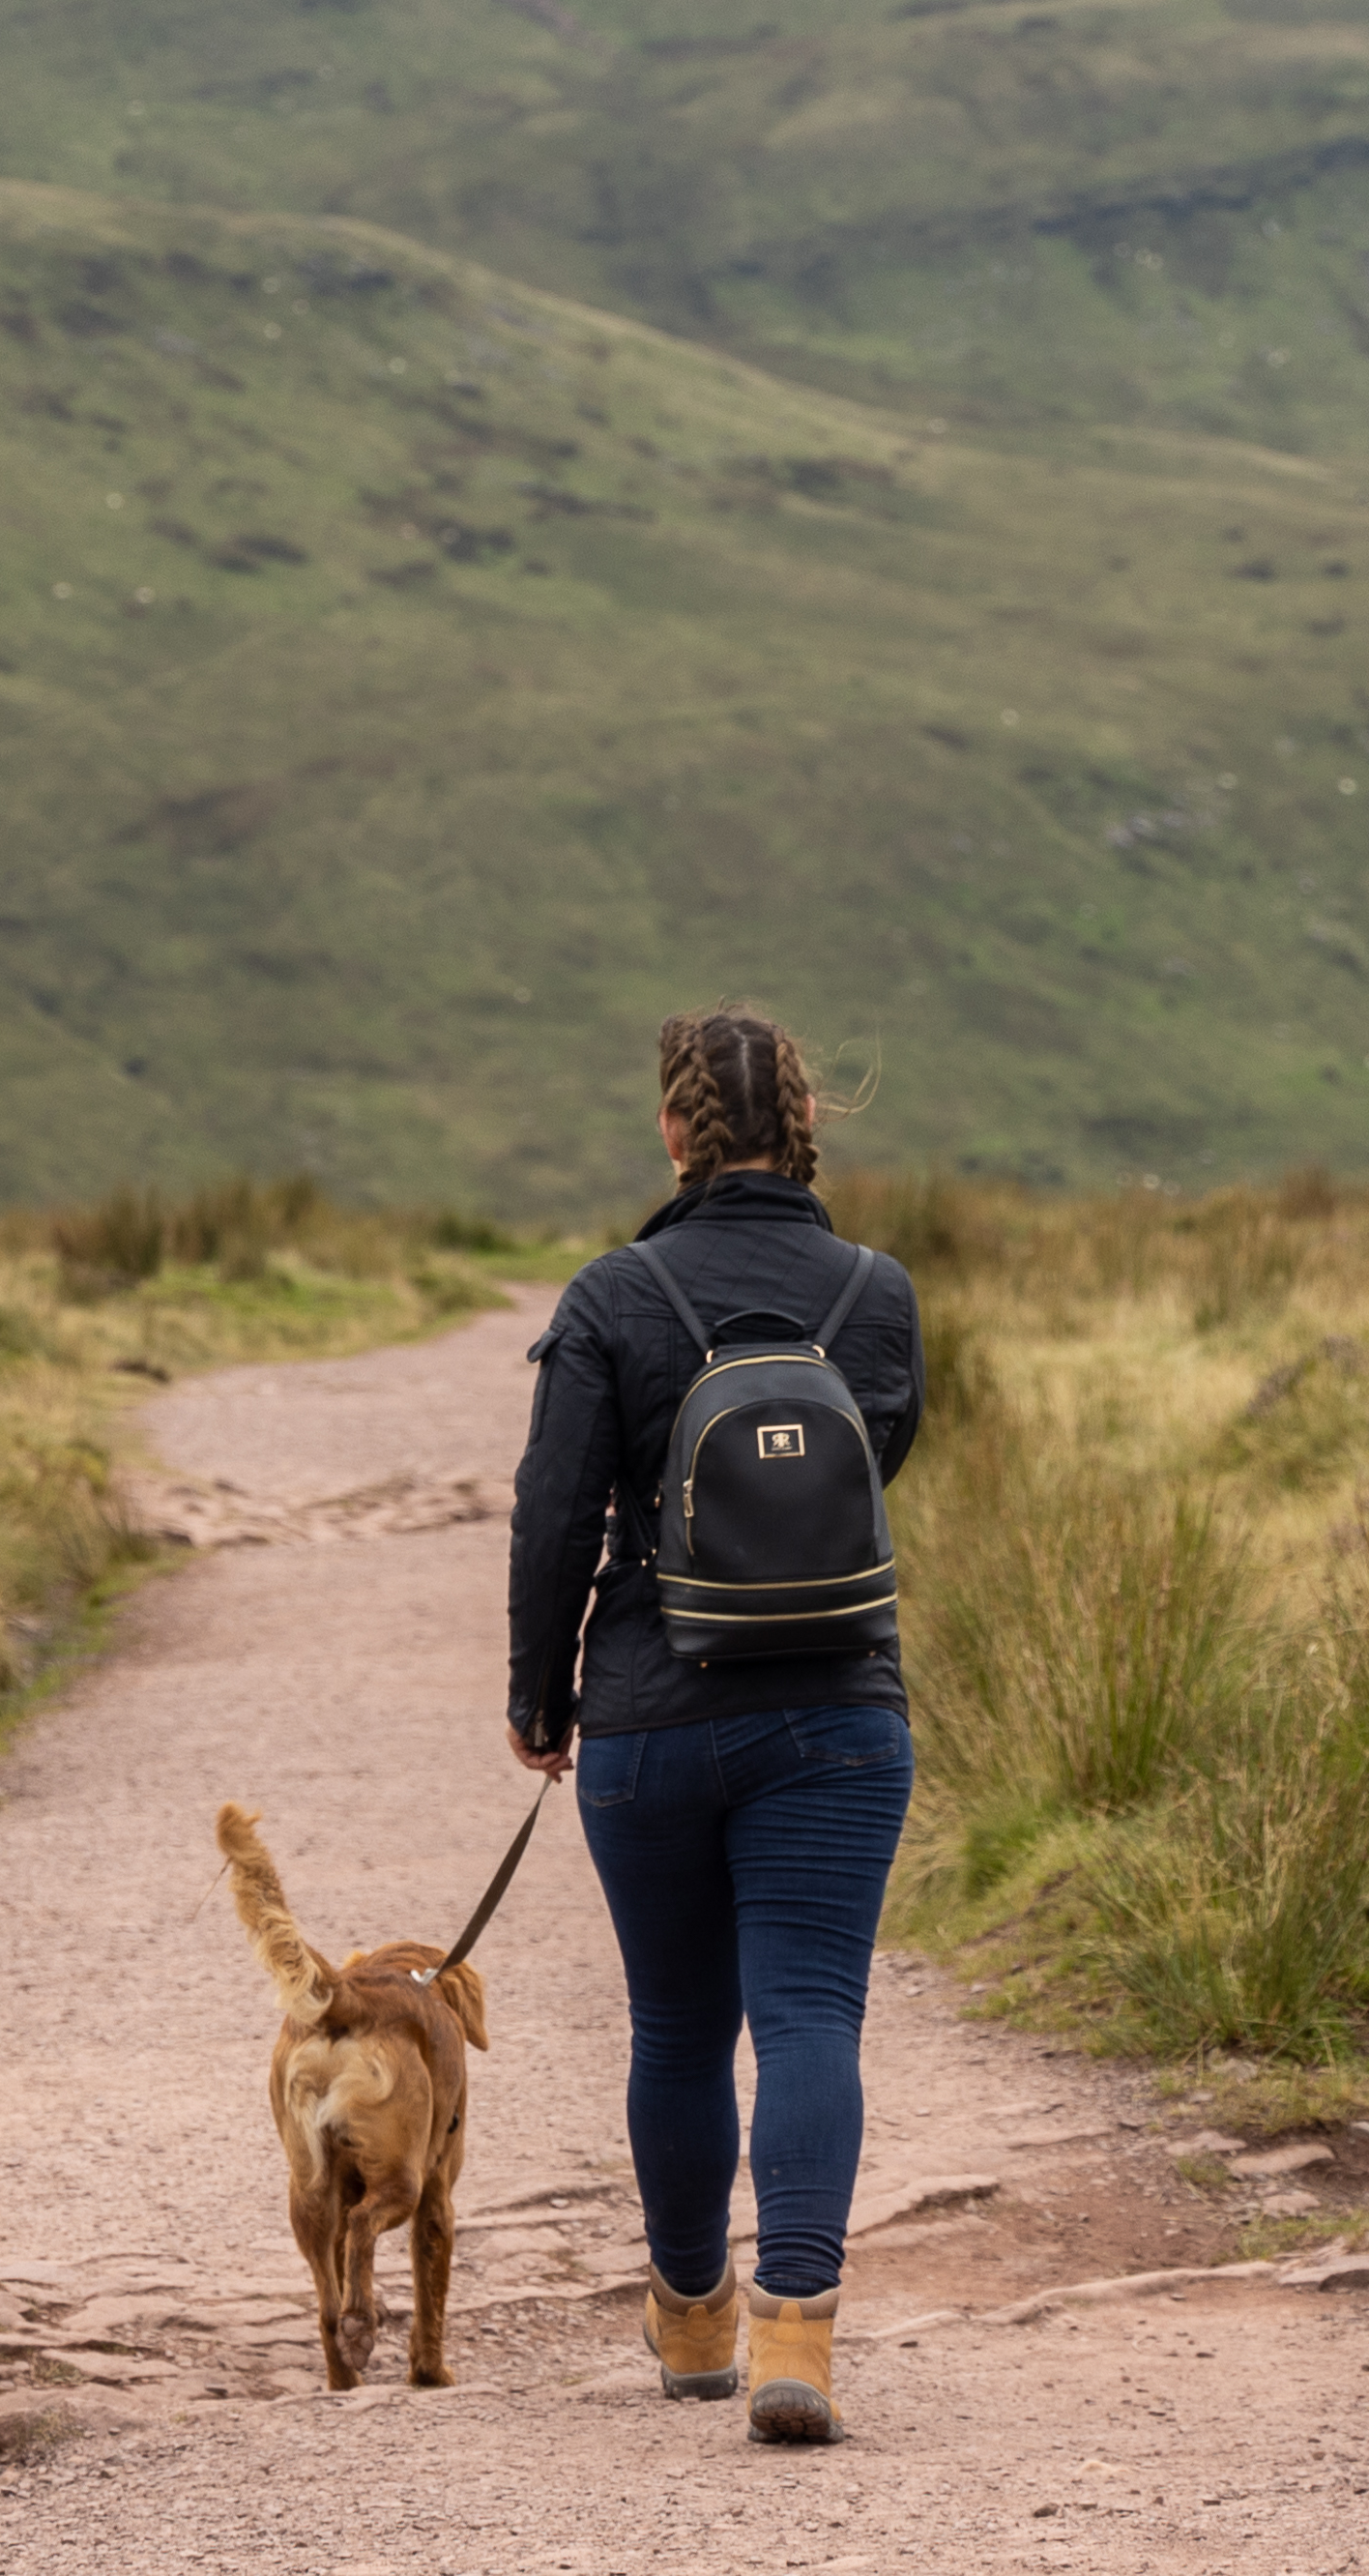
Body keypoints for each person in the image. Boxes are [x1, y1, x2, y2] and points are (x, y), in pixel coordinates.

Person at [504, 1003, 925, 2448]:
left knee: (678, 2026)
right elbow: (875, 1471)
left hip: (649, 1714)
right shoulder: (877, 1292)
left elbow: (554, 1514)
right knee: (813, 2014)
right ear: (806, 1125)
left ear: (676, 1132)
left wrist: (542, 1699)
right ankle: (795, 2335)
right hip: (839, 1710)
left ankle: (692, 2317)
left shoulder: (611, 1295)